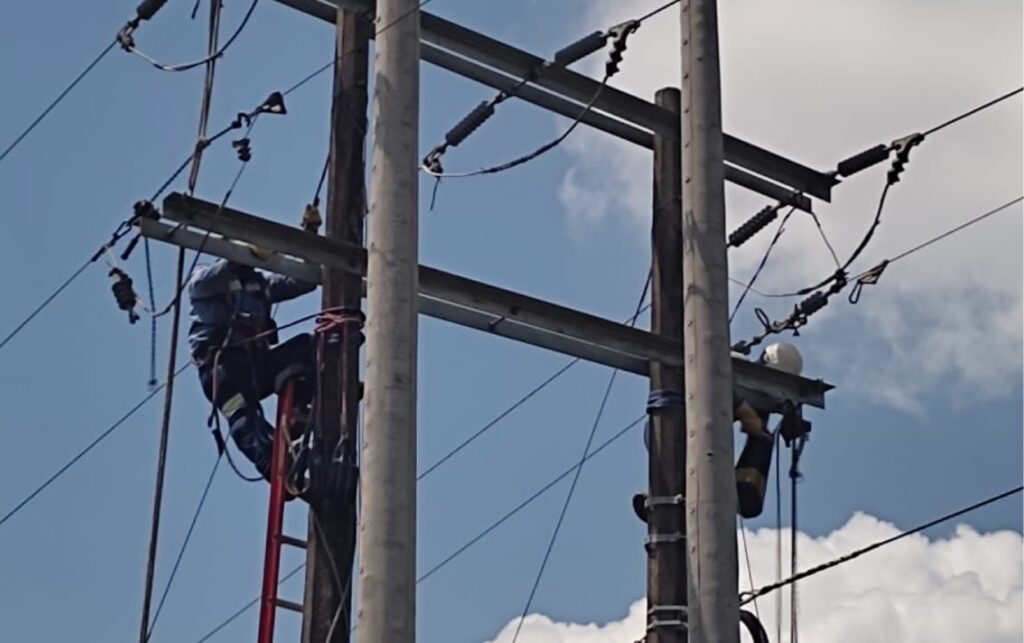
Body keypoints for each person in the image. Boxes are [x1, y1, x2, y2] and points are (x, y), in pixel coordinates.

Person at [187, 258, 317, 481]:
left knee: (308, 347)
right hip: (222, 371)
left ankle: (298, 411)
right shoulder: (204, 281)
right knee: (246, 421)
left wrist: (308, 245)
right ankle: (274, 467)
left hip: (256, 366)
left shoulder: (259, 285)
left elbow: (305, 280)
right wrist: (235, 260)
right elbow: (203, 282)